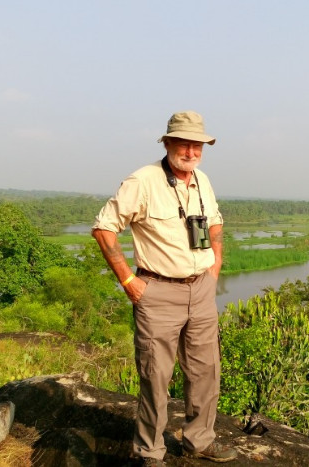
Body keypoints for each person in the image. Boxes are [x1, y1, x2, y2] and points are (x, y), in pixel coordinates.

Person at [92, 111, 238, 466]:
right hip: (157, 292)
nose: (191, 150)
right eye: (184, 142)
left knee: (206, 372)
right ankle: (150, 452)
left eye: (197, 144)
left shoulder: (202, 180)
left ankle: (199, 441)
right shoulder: (143, 181)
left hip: (201, 290)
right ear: (168, 142)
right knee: (156, 377)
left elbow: (214, 222)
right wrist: (129, 281)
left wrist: (215, 263)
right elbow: (104, 227)